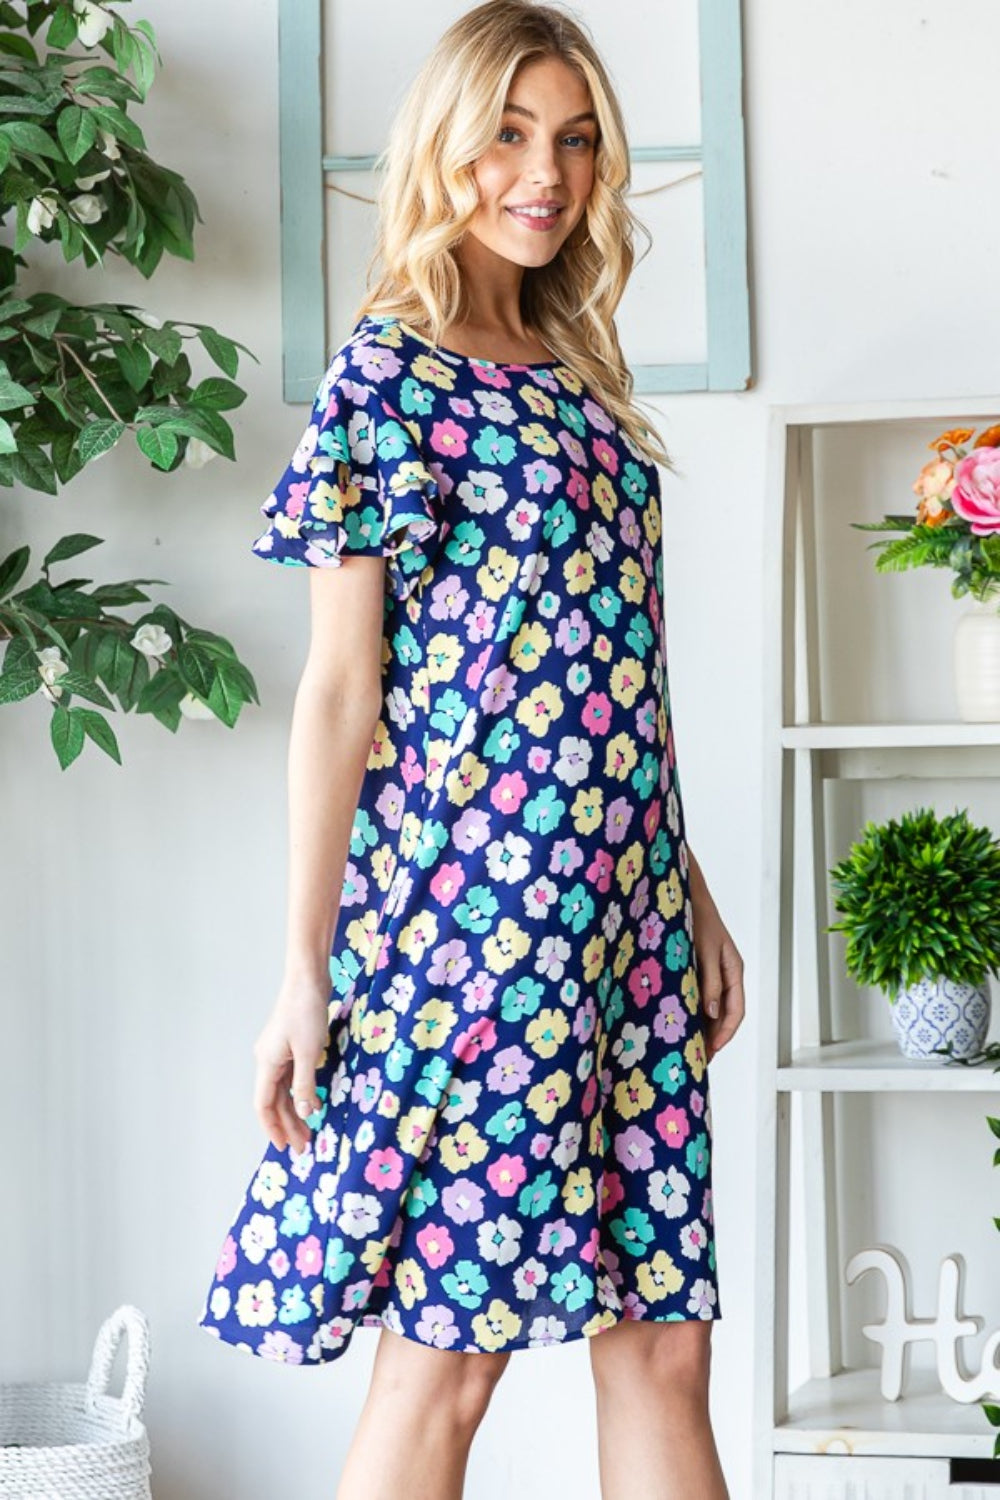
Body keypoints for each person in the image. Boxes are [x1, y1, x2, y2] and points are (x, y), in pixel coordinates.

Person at [197, 3, 745, 1496]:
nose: (544, 173)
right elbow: (339, 691)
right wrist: (303, 969)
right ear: (445, 145)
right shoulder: (390, 378)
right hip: (476, 923)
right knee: (445, 1363)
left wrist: (685, 890)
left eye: (575, 139)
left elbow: (607, 677)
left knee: (663, 1349)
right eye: (508, 134)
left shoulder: (579, 373)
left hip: (624, 917)